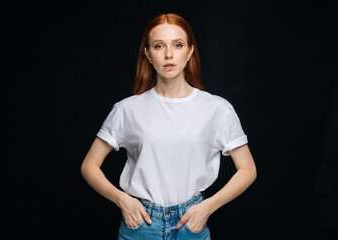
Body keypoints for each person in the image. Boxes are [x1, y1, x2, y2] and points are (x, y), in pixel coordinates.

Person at [81, 13, 257, 240]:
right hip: (141, 225)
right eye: (158, 46)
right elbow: (89, 165)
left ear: (190, 51)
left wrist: (208, 207)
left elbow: (248, 169)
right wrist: (122, 200)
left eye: (177, 44)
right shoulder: (127, 110)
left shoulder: (217, 109)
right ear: (148, 54)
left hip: (190, 223)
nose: (168, 54)